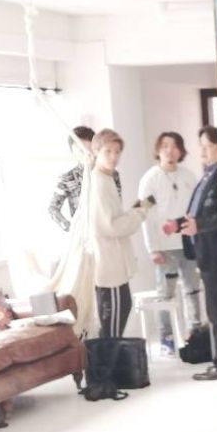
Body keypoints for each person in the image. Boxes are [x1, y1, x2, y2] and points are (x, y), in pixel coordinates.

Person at [165, 125, 217, 380]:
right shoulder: (208, 174)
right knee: (215, 310)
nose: (203, 152)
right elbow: (198, 213)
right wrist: (179, 223)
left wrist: (200, 226)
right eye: (202, 146)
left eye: (208, 146)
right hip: (206, 252)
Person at [138, 131, 202, 352]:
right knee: (166, 294)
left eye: (175, 146)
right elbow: (144, 214)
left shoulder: (189, 176)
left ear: (181, 151)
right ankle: (167, 338)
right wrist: (152, 248)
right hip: (164, 247)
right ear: (158, 150)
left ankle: (195, 334)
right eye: (165, 146)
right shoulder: (150, 179)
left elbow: (196, 211)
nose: (170, 150)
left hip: (189, 244)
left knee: (192, 290)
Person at [88, 129, 150, 339]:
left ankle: (110, 360)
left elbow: (116, 219)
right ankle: (108, 361)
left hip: (114, 263)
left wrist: (138, 209)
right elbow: (112, 227)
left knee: (121, 311)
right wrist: (141, 210)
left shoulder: (107, 179)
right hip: (108, 267)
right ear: (96, 151)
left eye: (117, 152)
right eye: (108, 151)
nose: (114, 156)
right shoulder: (98, 183)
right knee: (112, 327)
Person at [49, 126, 120, 231]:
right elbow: (53, 208)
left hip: (108, 231)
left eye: (89, 149)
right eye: (80, 150)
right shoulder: (68, 178)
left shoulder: (112, 174)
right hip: (84, 234)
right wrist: (69, 227)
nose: (86, 153)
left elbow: (117, 203)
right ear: (73, 151)